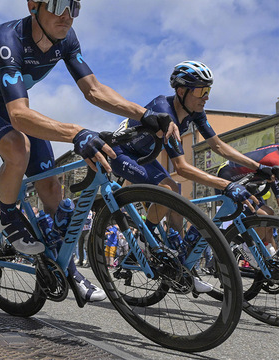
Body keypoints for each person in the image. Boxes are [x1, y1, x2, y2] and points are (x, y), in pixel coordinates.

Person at [0, 0, 178, 301]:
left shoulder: (66, 39)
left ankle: (65, 268)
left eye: (74, 7)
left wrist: (145, 114)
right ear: (34, 6)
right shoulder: (8, 39)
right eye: (59, 5)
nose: (68, 16)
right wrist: (77, 133)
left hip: (14, 111)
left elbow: (94, 90)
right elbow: (17, 114)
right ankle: (8, 215)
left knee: (52, 189)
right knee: (17, 146)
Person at [109, 61, 274, 292]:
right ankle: (143, 242)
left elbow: (218, 146)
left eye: (208, 91)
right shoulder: (164, 112)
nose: (205, 97)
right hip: (121, 152)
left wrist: (257, 167)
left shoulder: (195, 112)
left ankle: (178, 259)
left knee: (176, 195)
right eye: (200, 90)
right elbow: (183, 167)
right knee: (169, 189)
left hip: (144, 155)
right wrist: (227, 185)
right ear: (181, 90)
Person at [217, 144, 279, 263]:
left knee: (268, 226)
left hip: (248, 182)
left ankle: (271, 265)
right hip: (228, 177)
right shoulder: (275, 160)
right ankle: (245, 249)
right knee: (264, 215)